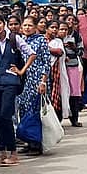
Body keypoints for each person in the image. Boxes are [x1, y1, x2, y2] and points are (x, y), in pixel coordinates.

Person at [0, 15, 35, 167]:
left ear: (4, 24)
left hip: (10, 82)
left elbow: (32, 54)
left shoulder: (15, 39)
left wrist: (21, 71)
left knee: (6, 115)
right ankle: (2, 152)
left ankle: (13, 152)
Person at [17, 16, 51, 155]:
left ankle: (36, 144)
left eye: (30, 25)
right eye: (24, 25)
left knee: (34, 112)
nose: (27, 28)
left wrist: (43, 81)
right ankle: (28, 141)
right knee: (24, 111)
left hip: (37, 80)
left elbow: (46, 62)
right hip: (23, 82)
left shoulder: (41, 40)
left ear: (36, 26)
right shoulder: (20, 40)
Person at [60, 21, 83, 127]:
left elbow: (81, 52)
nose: (64, 31)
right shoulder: (55, 40)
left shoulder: (77, 36)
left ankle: (74, 118)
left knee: (74, 93)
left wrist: (74, 48)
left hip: (72, 67)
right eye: (62, 29)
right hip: (59, 69)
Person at [46, 21, 70, 120]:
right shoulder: (41, 40)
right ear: (47, 29)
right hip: (45, 73)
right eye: (52, 27)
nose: (55, 30)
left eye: (56, 27)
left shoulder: (58, 41)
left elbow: (59, 52)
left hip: (56, 73)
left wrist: (46, 48)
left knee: (56, 96)